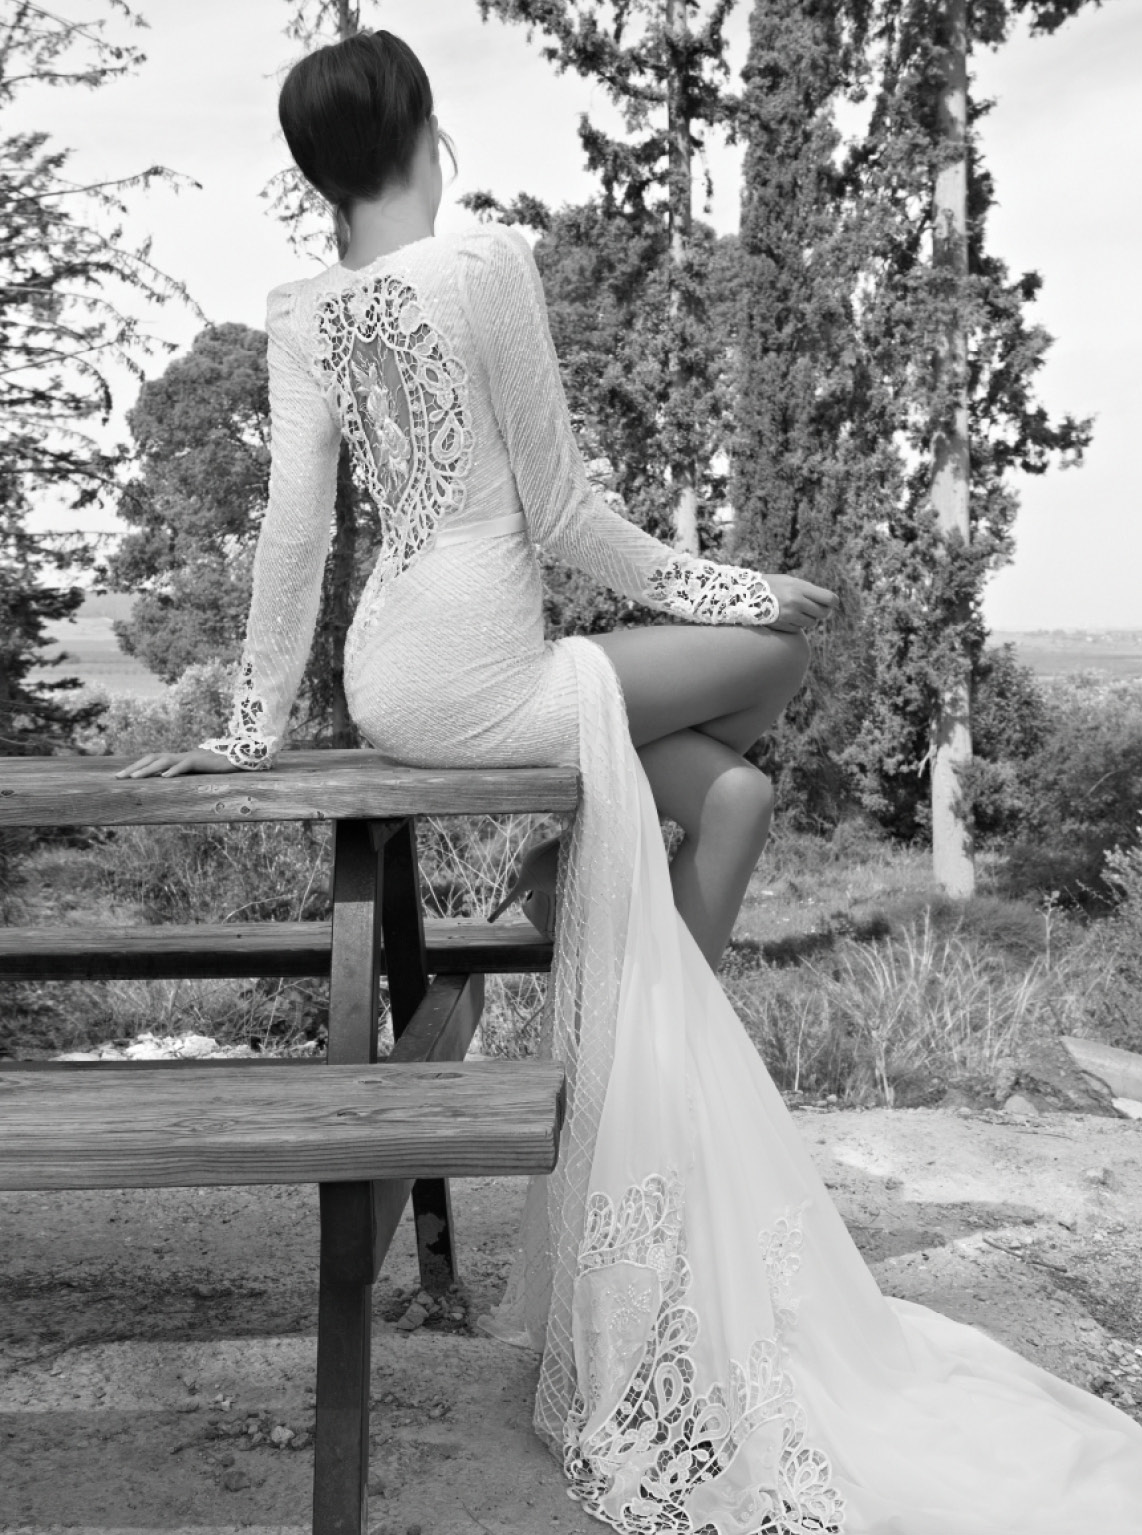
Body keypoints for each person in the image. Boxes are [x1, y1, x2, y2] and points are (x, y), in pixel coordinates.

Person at [120, 30, 1142, 1534]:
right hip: (493, 671)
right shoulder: (486, 267)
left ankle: (609, 911)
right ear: (429, 131)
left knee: (734, 801)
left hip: (391, 670)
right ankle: (630, 1000)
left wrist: (250, 725)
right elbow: (565, 516)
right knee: (777, 657)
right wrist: (744, 590)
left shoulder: (299, 310)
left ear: (318, 171)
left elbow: (294, 533)